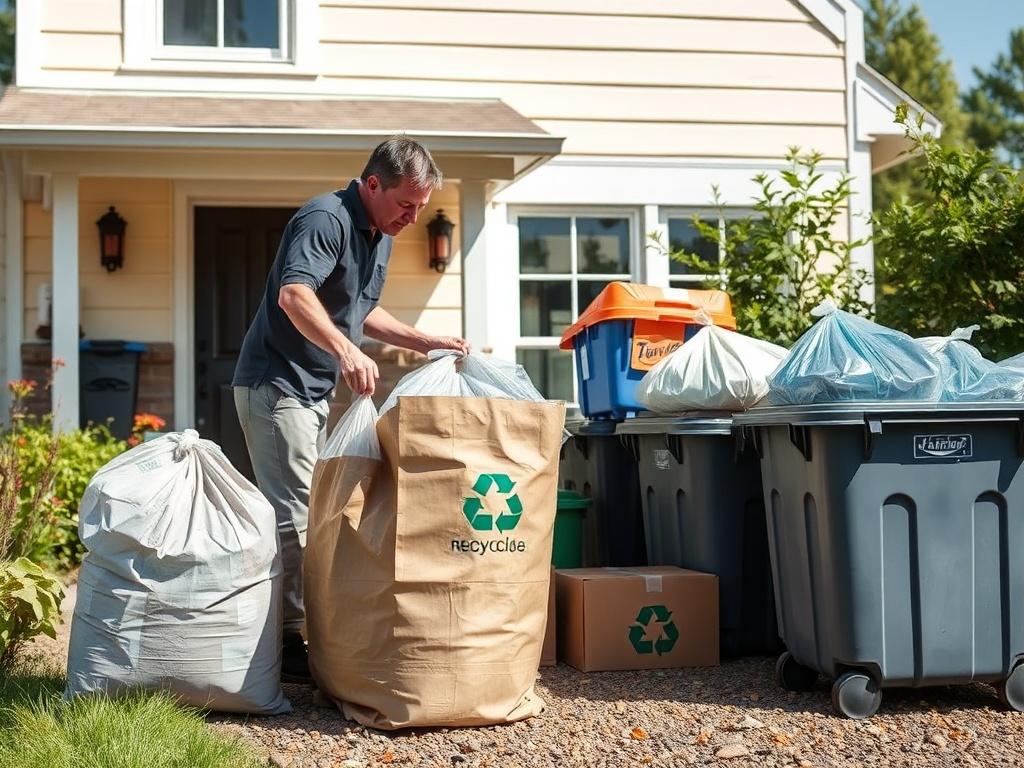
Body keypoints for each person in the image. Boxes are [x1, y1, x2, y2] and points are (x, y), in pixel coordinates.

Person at [232, 136, 469, 682]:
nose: (412, 218)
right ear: (372, 185)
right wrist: (344, 350)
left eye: (420, 208)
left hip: (310, 390)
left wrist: (422, 340)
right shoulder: (326, 219)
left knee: (313, 510)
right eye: (405, 204)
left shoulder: (377, 233)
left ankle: (308, 630)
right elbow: (296, 294)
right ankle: (291, 646)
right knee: (295, 516)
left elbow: (361, 309)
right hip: (276, 384)